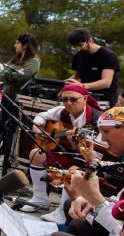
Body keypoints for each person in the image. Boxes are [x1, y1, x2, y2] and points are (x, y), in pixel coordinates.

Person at [15, 83, 101, 214]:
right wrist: (37, 127)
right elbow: (42, 115)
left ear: (85, 99)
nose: (68, 103)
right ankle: (39, 198)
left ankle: (63, 211)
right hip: (68, 153)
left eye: (73, 99)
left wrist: (75, 143)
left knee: (74, 170)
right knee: (35, 154)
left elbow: (98, 152)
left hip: (86, 160)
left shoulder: (96, 121)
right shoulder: (62, 111)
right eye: (65, 99)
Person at [66, 28, 121, 106]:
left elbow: (106, 82)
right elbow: (77, 76)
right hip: (85, 97)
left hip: (105, 100)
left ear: (90, 41)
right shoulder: (78, 56)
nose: (78, 49)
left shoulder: (107, 56)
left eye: (80, 45)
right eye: (75, 46)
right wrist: (67, 83)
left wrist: (82, 86)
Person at [0, 33, 40, 99]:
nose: (15, 45)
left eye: (18, 43)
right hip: (5, 97)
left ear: (25, 45)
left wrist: (9, 74)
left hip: (21, 100)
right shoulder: (13, 60)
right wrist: (15, 73)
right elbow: (1, 75)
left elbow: (22, 76)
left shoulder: (34, 61)